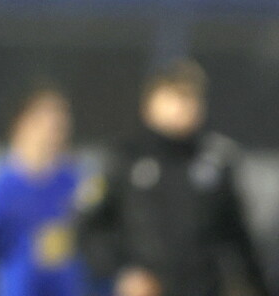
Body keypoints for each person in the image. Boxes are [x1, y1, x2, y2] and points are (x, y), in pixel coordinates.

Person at [79, 59, 268, 296]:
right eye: (174, 96)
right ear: (150, 102)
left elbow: (238, 236)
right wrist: (124, 272)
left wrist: (256, 286)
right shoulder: (123, 159)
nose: (183, 106)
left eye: (191, 97)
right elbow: (90, 229)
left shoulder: (217, 160)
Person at [0, 86, 91, 296]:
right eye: (46, 123)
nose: (54, 132)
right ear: (21, 123)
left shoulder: (76, 185)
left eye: (60, 126)